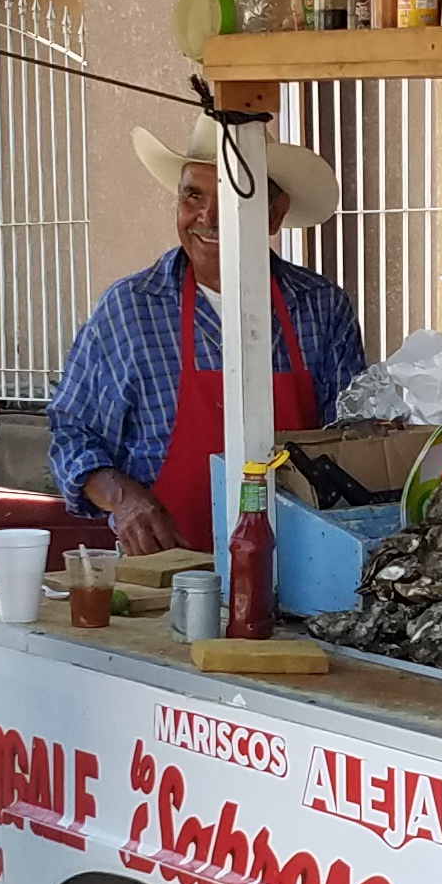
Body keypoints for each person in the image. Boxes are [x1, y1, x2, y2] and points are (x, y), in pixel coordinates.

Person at [46, 116, 364, 556]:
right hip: (166, 571)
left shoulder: (320, 307)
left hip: (300, 565)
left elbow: (352, 441)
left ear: (275, 214)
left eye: (232, 198)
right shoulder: (130, 308)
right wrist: (124, 500)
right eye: (193, 195)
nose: (207, 218)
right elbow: (72, 434)